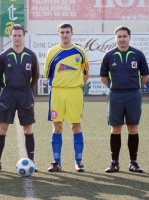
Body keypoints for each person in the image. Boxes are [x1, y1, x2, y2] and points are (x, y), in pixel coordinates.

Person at [0, 24, 39, 172]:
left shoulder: (31, 55)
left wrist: (25, 87)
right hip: (8, 94)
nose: (17, 38)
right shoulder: (4, 56)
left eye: (19, 35)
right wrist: (9, 87)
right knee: (2, 127)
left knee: (28, 128)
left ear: (24, 36)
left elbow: (35, 76)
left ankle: (31, 162)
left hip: (25, 94)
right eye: (14, 35)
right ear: (10, 37)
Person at [100, 26, 149, 173]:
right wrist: (115, 86)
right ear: (115, 38)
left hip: (133, 95)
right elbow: (103, 78)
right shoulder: (109, 56)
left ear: (129, 37)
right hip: (115, 95)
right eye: (119, 36)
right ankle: (114, 162)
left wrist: (135, 87)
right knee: (115, 129)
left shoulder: (138, 54)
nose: (122, 39)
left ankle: (133, 162)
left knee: (133, 128)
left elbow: (145, 76)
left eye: (124, 36)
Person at [43, 23, 90, 173]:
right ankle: (57, 162)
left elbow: (86, 73)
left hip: (75, 93)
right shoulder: (52, 52)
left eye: (67, 32)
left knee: (76, 126)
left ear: (72, 33)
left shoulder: (80, 52)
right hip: (57, 93)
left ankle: (78, 161)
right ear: (58, 34)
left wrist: (75, 84)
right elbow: (46, 74)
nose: (65, 35)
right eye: (62, 32)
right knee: (57, 126)